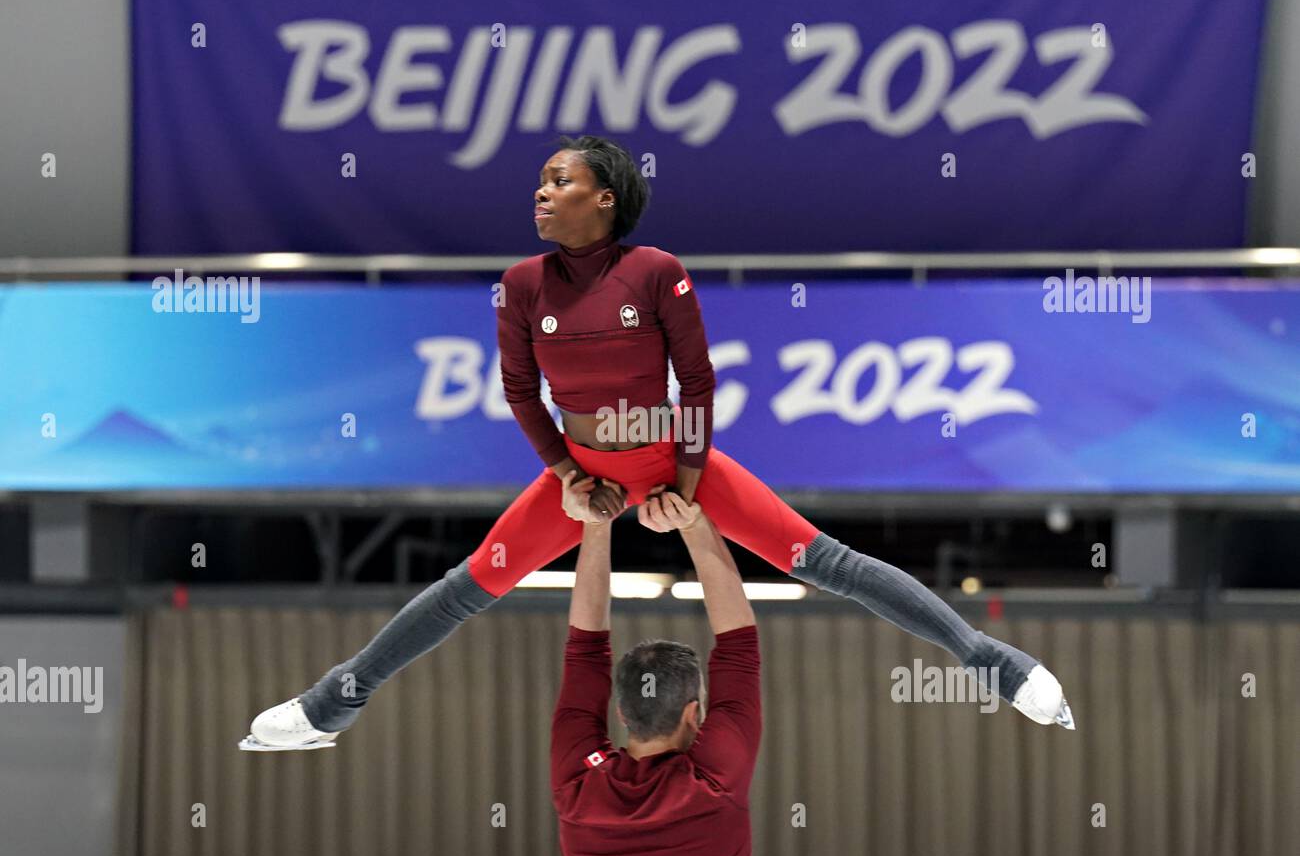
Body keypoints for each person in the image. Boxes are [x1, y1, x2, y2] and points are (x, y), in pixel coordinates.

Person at [241, 134, 1073, 752]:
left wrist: (686, 476)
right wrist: (567, 476)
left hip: (678, 465)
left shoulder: (655, 270)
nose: (541, 192)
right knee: (464, 589)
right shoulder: (523, 286)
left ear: (604, 197)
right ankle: (327, 708)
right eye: (539, 181)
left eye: (559, 181)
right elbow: (521, 393)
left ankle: (998, 665)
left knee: (831, 565)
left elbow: (699, 383)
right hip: (585, 475)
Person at [553, 487, 759, 856]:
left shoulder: (582, 784)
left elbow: (739, 648)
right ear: (691, 714)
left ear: (622, 713)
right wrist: (598, 523)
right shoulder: (712, 781)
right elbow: (585, 653)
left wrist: (692, 524)